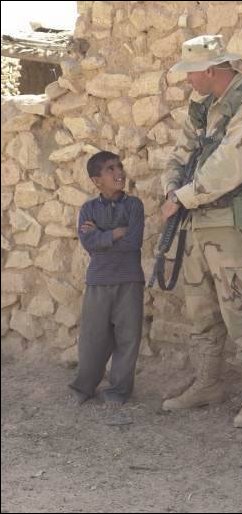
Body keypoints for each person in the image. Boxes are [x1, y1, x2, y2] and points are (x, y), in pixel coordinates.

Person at [161, 35, 242, 428]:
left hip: (230, 222)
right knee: (201, 309)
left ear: (210, 70)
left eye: (191, 73)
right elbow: (181, 152)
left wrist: (182, 197)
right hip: (198, 221)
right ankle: (208, 382)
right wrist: (171, 187)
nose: (187, 80)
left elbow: (230, 165)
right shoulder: (202, 106)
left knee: (241, 308)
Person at [69, 151, 145, 406]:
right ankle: (84, 387)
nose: (119, 172)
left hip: (129, 280)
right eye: (110, 169)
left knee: (128, 338)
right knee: (92, 338)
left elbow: (133, 243)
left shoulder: (134, 205)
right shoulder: (88, 208)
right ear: (96, 180)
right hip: (98, 280)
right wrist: (114, 234)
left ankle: (118, 390)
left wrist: (102, 235)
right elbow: (88, 243)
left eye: (119, 166)